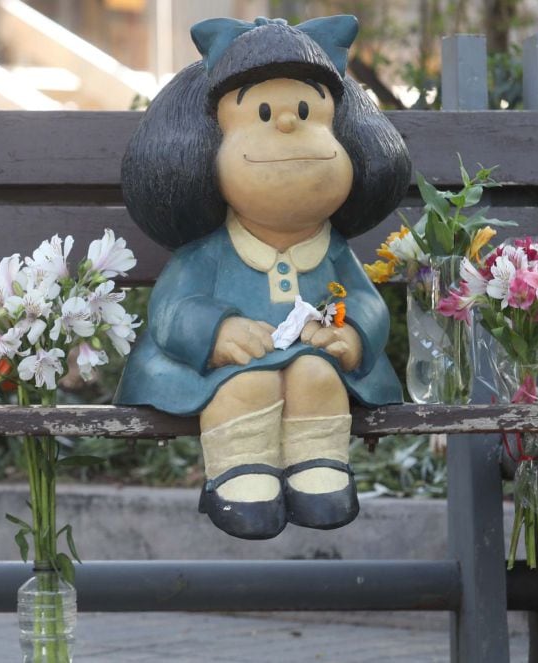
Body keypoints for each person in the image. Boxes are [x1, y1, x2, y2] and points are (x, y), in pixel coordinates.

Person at [115, 16, 411, 539]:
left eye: (306, 110)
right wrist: (217, 331)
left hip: (315, 360)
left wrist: (352, 334)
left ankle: (319, 467)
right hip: (229, 367)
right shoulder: (209, 252)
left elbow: (365, 302)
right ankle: (239, 473)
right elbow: (170, 310)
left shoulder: (332, 250)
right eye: (264, 113)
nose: (289, 127)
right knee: (246, 385)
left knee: (317, 378)